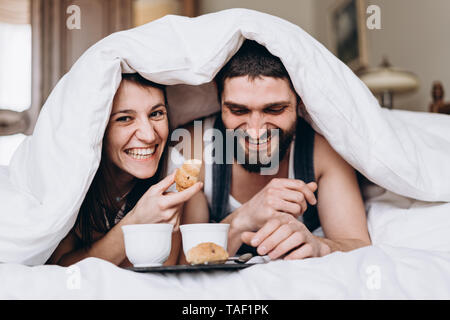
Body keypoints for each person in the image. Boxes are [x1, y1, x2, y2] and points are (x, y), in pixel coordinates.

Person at [180, 40, 371, 261]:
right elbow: (183, 263)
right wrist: (243, 219)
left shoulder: (322, 152)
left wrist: (320, 247)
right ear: (219, 97)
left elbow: (359, 246)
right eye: (238, 110)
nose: (255, 130)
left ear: (299, 98)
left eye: (275, 109)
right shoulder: (194, 149)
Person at [47, 73, 203, 267]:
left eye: (156, 114)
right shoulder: (71, 180)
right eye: (125, 118)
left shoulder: (177, 179)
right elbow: (59, 273)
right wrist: (137, 221)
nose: (148, 135)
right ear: (96, 128)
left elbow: (164, 278)